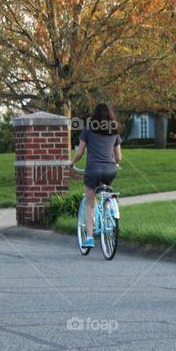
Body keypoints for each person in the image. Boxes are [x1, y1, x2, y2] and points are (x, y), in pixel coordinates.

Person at [69, 103, 122, 248]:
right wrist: (114, 163)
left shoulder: (87, 130)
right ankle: (110, 210)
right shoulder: (114, 131)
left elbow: (79, 153)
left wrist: (71, 163)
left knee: (90, 204)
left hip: (92, 170)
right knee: (104, 190)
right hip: (110, 170)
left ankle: (90, 237)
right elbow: (118, 157)